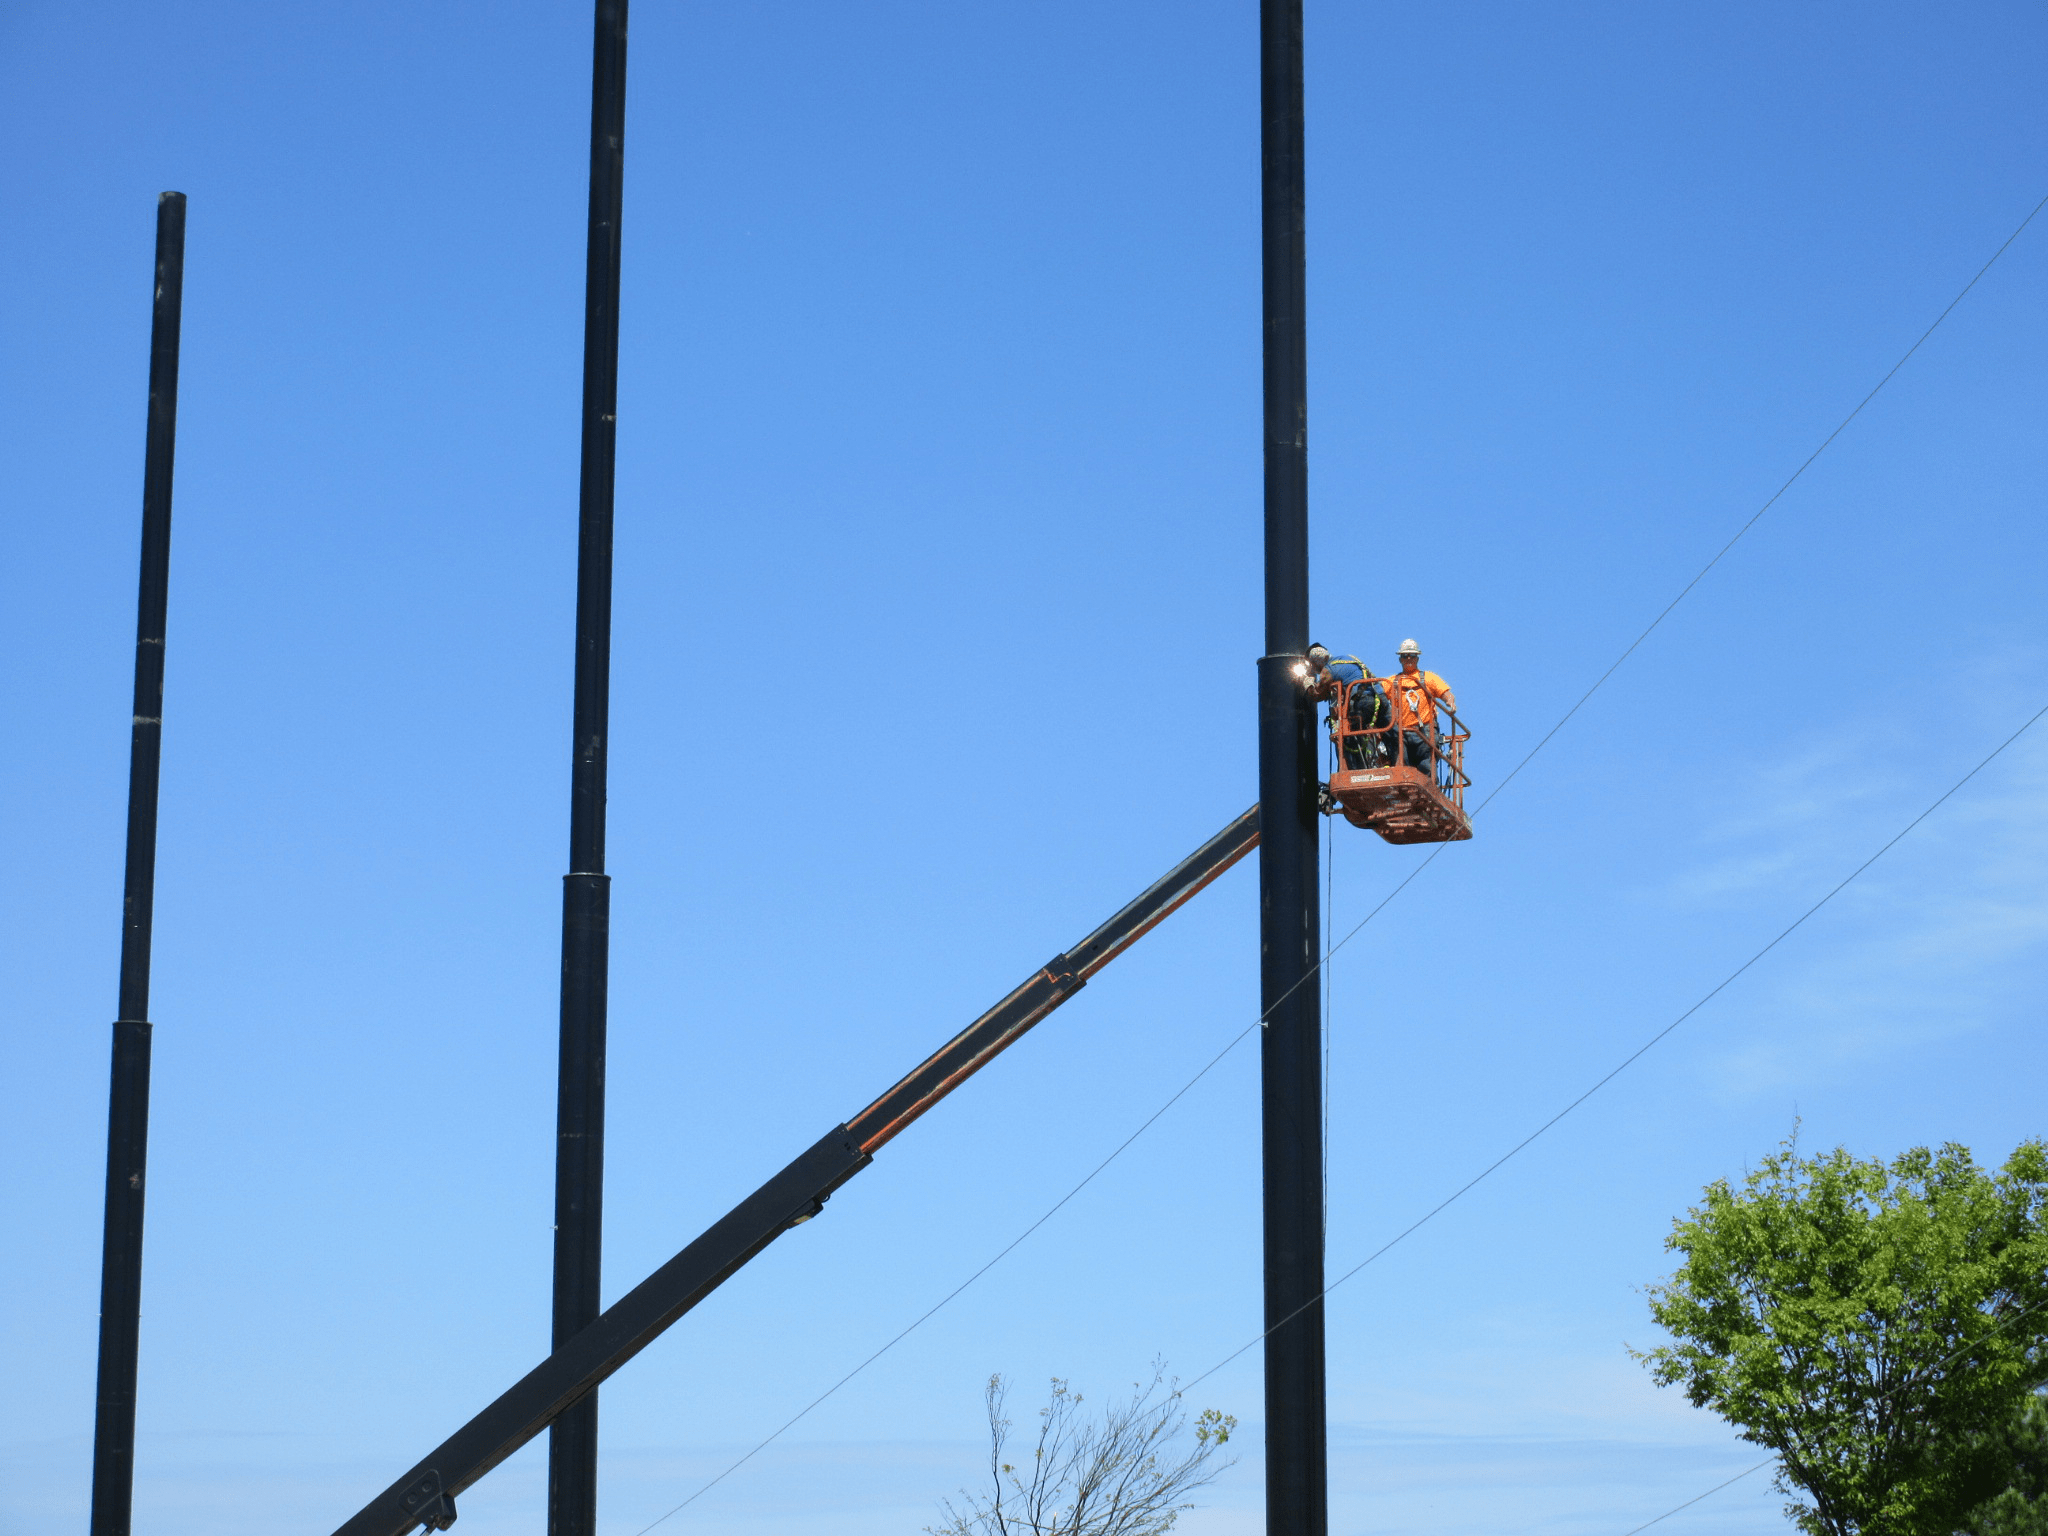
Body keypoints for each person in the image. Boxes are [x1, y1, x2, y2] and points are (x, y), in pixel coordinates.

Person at [1305, 643, 1393, 768]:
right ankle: (1397, 761)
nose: (1315, 669)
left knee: (1349, 739)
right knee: (1391, 733)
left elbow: (1317, 695)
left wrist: (1308, 683)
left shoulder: (1328, 670)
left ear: (1318, 662)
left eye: (1314, 665)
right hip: (1379, 697)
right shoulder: (1348, 658)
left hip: (1362, 701)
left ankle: (1357, 771)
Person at [1380, 638, 1456, 776]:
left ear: (1417, 658)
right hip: (1401, 732)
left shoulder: (1429, 678)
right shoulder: (1391, 682)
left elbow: (1445, 693)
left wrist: (1450, 702)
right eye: (1405, 656)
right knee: (1402, 769)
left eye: (1412, 655)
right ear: (1400, 659)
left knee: (1426, 767)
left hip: (1425, 730)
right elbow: (1376, 693)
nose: (1409, 658)